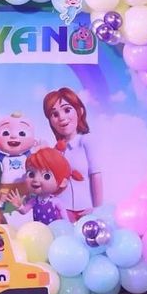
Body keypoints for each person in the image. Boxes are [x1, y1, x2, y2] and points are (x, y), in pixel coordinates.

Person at [43, 87, 103, 222]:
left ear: (79, 111)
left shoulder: (86, 141)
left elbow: (96, 175)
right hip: (61, 211)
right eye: (55, 114)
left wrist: (97, 209)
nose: (62, 118)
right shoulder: (56, 150)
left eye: (67, 110)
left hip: (86, 209)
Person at [7, 147, 82, 225]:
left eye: (46, 176)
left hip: (53, 229)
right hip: (38, 230)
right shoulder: (34, 201)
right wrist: (19, 206)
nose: (36, 179)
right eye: (31, 174)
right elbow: (24, 211)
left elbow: (64, 218)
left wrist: (67, 226)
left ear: (62, 182)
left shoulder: (55, 201)